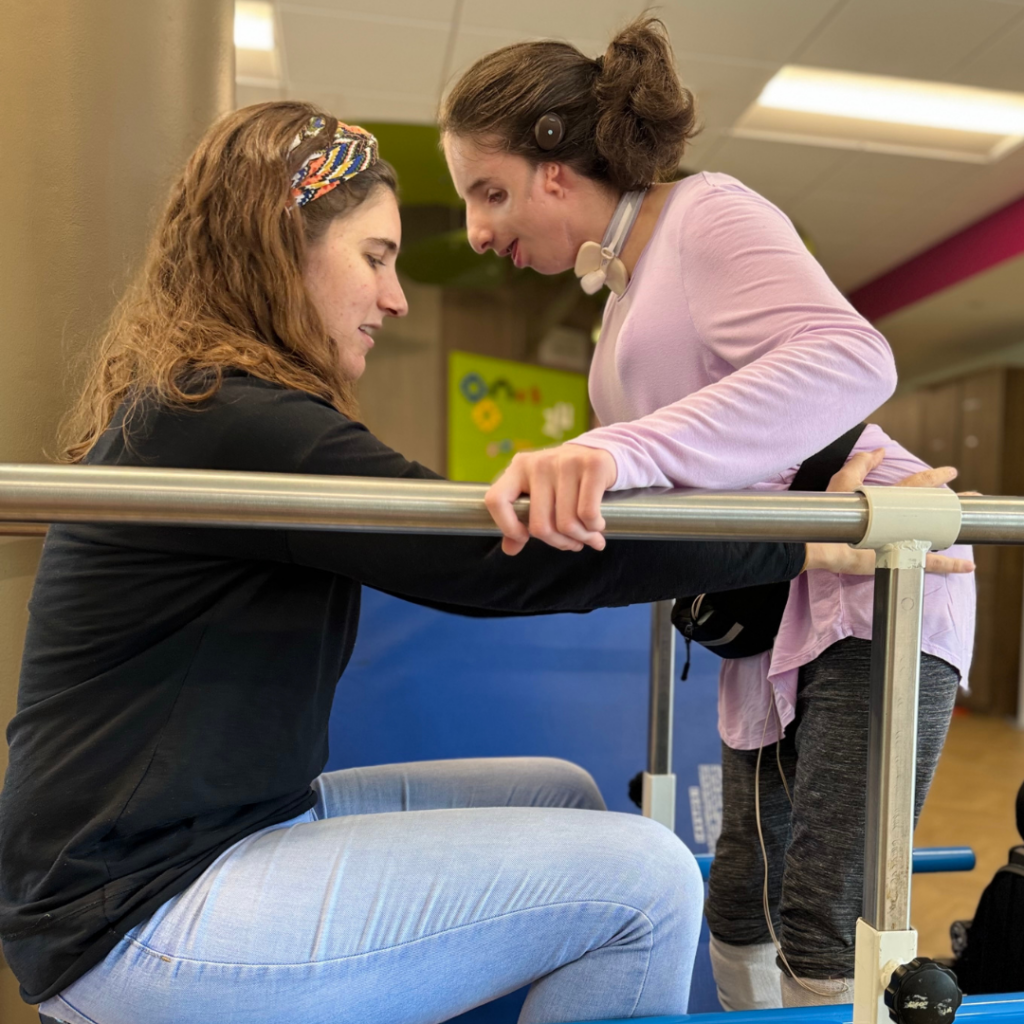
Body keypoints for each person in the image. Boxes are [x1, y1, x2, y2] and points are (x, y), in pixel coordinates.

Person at [0, 101, 956, 1024]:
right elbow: (492, 566)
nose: (395, 295)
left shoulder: (207, 403)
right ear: (278, 246)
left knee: (563, 791)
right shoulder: (234, 414)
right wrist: (800, 533)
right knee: (652, 879)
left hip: (204, 840)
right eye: (375, 257)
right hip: (143, 915)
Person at [440, 17, 977, 1010]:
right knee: (735, 896)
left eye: (489, 190)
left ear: (556, 168)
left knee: (821, 908)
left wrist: (617, 450)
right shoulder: (624, 282)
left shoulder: (706, 215)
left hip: (871, 589)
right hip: (772, 592)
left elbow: (851, 360)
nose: (477, 229)